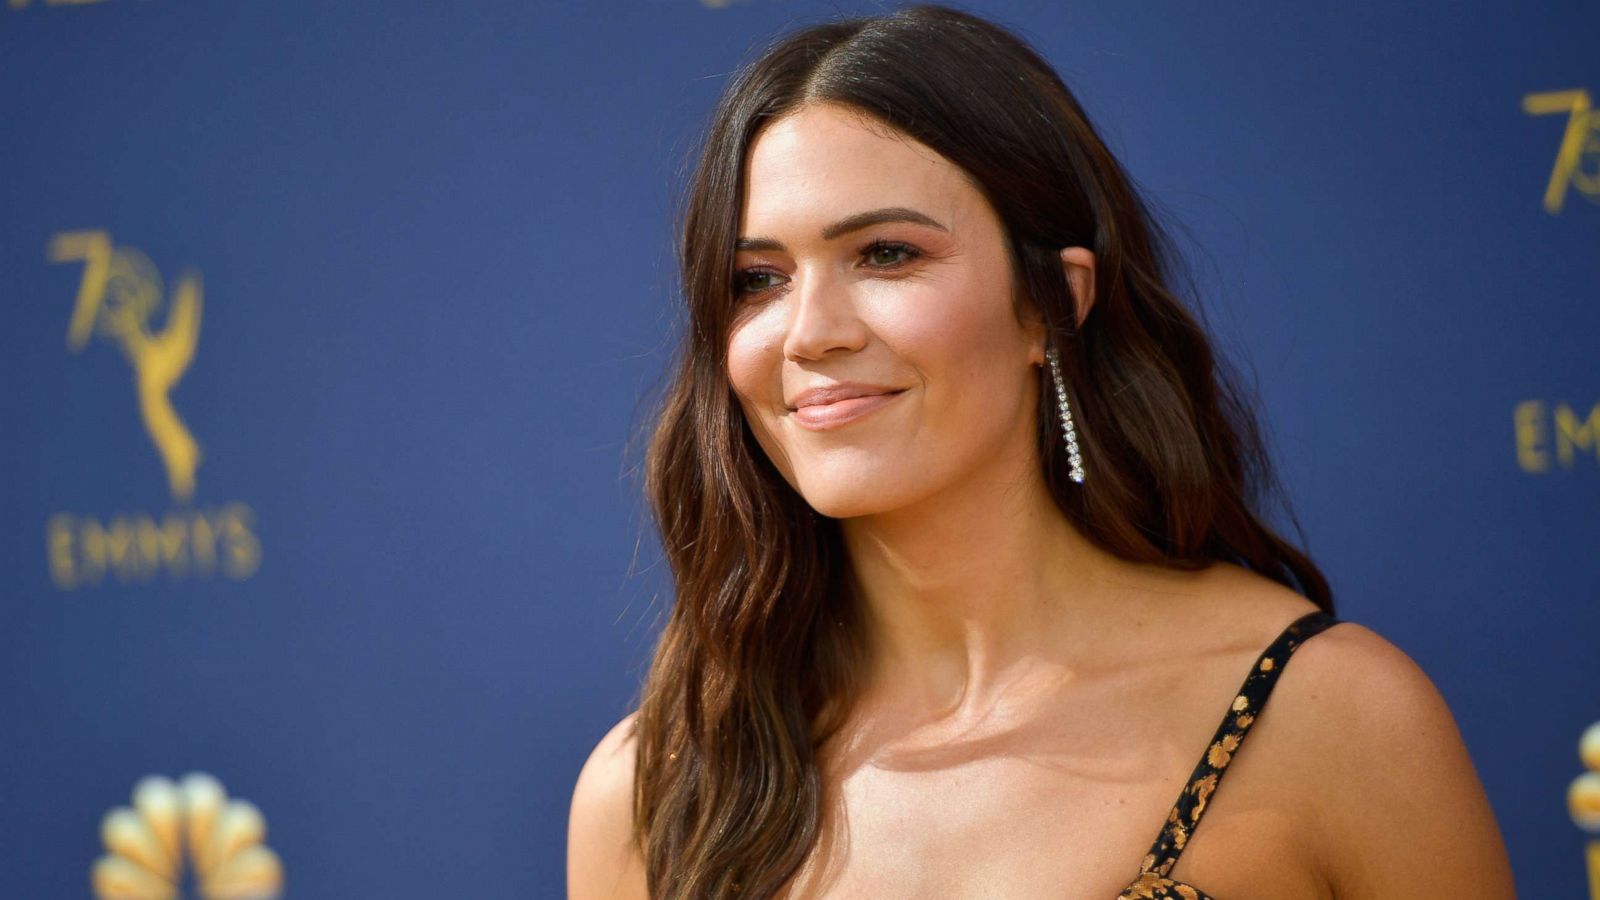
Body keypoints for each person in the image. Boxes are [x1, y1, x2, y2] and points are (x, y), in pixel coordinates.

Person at [568, 5, 1515, 898]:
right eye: (757, 279)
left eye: (886, 255)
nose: (809, 332)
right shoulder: (658, 789)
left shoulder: (1327, 714)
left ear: (1053, 304)